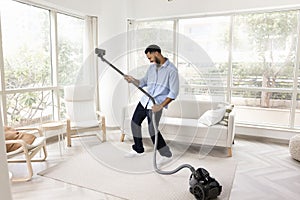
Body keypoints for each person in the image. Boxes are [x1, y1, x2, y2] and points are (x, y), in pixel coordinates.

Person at [124, 44, 179, 167]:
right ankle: (138, 149)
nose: (150, 61)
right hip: (145, 100)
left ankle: (166, 155)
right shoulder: (151, 68)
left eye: (150, 58)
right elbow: (143, 82)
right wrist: (133, 80)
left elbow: (174, 92)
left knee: (152, 130)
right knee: (134, 122)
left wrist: (161, 105)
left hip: (156, 104)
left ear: (157, 53)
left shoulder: (172, 71)